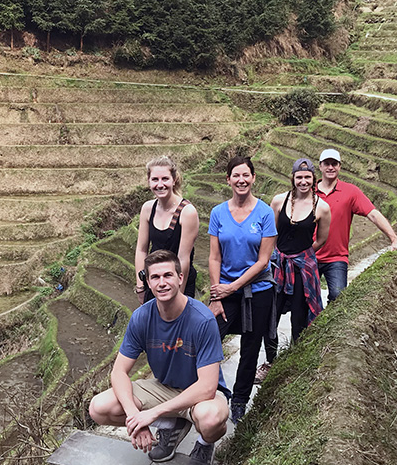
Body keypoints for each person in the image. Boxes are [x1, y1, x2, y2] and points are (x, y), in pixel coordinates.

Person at [88, 249, 229, 465]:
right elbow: (119, 371)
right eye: (155, 277)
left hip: (200, 394)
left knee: (211, 418)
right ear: (148, 282)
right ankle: (172, 425)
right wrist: (136, 419)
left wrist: (152, 414)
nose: (162, 283)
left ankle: (204, 445)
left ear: (180, 278)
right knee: (99, 408)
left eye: (168, 276)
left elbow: (207, 387)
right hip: (163, 387)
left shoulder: (202, 320)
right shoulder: (142, 317)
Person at [207, 156, 277, 424]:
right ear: (228, 180)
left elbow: (263, 261)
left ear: (253, 177)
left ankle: (239, 401)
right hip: (223, 289)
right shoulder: (217, 213)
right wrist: (217, 294)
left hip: (257, 290)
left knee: (250, 347)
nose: (241, 180)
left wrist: (233, 287)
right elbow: (214, 257)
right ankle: (214, 392)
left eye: (246, 175)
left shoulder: (264, 213)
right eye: (236, 175)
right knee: (209, 337)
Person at [260, 158, 332, 375]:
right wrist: (275, 257)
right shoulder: (279, 201)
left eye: (307, 177)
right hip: (278, 265)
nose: (303, 181)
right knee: (270, 315)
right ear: (292, 178)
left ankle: (294, 362)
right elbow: (270, 233)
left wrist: (303, 255)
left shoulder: (322, 207)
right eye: (299, 177)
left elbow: (321, 239)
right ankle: (270, 361)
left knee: (299, 316)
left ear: (314, 180)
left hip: (302, 267)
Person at [316, 148, 397, 302]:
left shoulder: (351, 192)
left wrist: (394, 239)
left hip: (336, 258)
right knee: (304, 299)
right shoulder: (308, 191)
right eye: (327, 163)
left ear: (340, 167)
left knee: (338, 297)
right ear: (320, 166)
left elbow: (373, 214)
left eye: (334, 164)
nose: (330, 167)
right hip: (310, 255)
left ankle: (330, 326)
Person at [135, 156, 200, 304]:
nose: (160, 184)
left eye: (165, 179)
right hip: (155, 280)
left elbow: (183, 258)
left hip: (179, 281)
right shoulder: (147, 208)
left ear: (174, 179)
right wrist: (141, 286)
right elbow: (141, 249)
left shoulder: (187, 212)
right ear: (149, 181)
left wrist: (178, 298)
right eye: (155, 180)